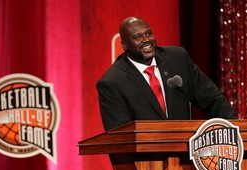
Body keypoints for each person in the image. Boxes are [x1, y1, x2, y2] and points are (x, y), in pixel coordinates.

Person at [96, 16, 237, 132]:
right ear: (124, 45)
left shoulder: (178, 59)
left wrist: (235, 130)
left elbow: (212, 99)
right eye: (138, 37)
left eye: (149, 33)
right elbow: (120, 135)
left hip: (186, 155)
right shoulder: (112, 82)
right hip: (146, 162)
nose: (147, 40)